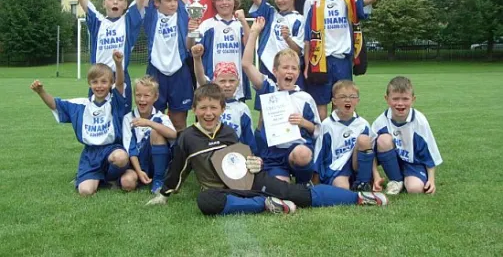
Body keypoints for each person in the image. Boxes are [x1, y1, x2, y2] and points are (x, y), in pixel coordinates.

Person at [146, 83, 388, 214]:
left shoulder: (229, 133)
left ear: (222, 109)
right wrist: (164, 194)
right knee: (204, 201)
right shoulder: (187, 137)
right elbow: (178, 169)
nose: (208, 113)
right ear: (195, 110)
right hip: (222, 193)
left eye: (213, 108)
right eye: (203, 108)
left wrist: (254, 163)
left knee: (296, 193)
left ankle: (360, 197)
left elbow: (247, 159)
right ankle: (266, 204)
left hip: (248, 183)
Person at [30, 51, 129, 196]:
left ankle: (111, 178)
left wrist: (118, 64)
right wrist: (41, 92)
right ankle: (92, 177)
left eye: (104, 81)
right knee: (85, 191)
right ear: (89, 83)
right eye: (95, 82)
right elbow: (55, 105)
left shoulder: (115, 101)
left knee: (121, 157)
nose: (99, 86)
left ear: (111, 83)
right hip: (91, 154)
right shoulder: (80, 105)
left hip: (111, 149)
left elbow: (120, 83)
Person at [242, 17, 319, 185]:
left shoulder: (305, 99)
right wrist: (254, 33)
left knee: (302, 154)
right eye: (285, 68)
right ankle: (283, 180)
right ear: (275, 71)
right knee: (279, 187)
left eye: (293, 68)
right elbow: (247, 64)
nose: (289, 72)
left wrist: (303, 122)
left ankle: (303, 181)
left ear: (298, 73)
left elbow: (317, 130)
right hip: (273, 153)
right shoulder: (268, 89)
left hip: (296, 149)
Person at [304, 0, 377, 121]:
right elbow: (307, 36)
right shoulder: (312, 1)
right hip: (320, 61)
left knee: (341, 109)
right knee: (320, 110)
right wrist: (307, 65)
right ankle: (322, 143)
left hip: (342, 61)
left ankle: (338, 142)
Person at [76, 0, 146, 111]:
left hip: (119, 77)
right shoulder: (98, 22)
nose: (115, 2)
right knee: (98, 117)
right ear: (103, 3)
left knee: (122, 119)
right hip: (99, 79)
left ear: (125, 4)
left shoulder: (128, 21)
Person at [141, 0, 193, 132]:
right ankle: (156, 160)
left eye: (174, 0)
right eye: (168, 1)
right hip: (155, 73)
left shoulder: (181, 13)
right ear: (156, 3)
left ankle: (180, 160)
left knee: (179, 122)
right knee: (154, 122)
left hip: (179, 73)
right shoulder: (151, 17)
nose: (173, 4)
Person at [372, 76, 442, 195]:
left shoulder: (420, 121)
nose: (400, 103)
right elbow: (370, 151)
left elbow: (430, 151)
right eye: (395, 99)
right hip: (393, 159)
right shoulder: (380, 121)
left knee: (414, 189)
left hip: (414, 163)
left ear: (413, 99)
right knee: (383, 140)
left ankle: (409, 178)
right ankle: (396, 180)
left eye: (405, 99)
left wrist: (431, 180)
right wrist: (376, 175)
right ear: (387, 99)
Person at [187, 0, 251, 101]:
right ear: (214, 3)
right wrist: (191, 31)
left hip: (236, 86)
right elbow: (190, 47)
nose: (224, 3)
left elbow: (249, 45)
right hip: (211, 85)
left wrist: (243, 21)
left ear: (235, 1)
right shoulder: (207, 25)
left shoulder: (240, 25)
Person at [192, 44, 257, 155]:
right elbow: (200, 77)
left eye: (232, 81)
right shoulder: (209, 103)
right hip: (209, 152)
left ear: (238, 82)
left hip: (235, 155)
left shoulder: (242, 109)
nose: (227, 85)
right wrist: (197, 58)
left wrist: (252, 156)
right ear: (214, 81)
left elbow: (249, 138)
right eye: (222, 81)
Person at [313, 80, 376, 192]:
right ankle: (348, 183)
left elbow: (371, 153)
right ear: (334, 101)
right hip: (337, 167)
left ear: (357, 100)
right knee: (342, 188)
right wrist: (315, 180)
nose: (347, 100)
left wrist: (376, 176)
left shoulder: (363, 124)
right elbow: (319, 153)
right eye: (342, 97)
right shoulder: (327, 125)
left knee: (364, 139)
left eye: (352, 96)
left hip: (357, 165)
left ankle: (363, 182)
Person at [249, 0, 305, 90]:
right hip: (268, 67)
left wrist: (287, 39)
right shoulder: (271, 14)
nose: (279, 0)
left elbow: (299, 51)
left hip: (288, 70)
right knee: (266, 105)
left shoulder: (300, 20)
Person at [120, 75, 177, 194]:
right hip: (138, 163)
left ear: (155, 97)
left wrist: (149, 123)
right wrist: (139, 171)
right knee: (127, 182)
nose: (142, 99)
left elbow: (173, 134)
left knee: (156, 131)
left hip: (158, 161)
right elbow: (130, 149)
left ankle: (158, 179)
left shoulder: (161, 117)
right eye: (138, 95)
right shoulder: (128, 118)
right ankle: (142, 176)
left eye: (146, 95)